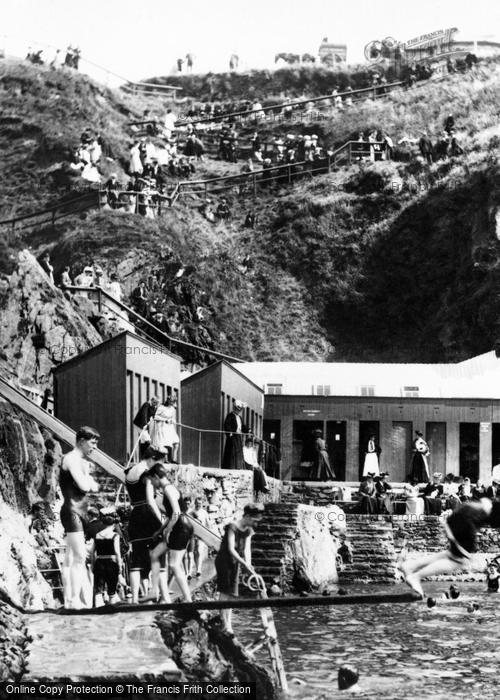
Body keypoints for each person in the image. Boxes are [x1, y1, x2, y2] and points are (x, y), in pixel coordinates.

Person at [400, 498, 500, 597]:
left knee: (452, 555)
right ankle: (416, 577)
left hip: (462, 514)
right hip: (466, 521)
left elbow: (486, 504)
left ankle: (410, 566)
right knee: (460, 560)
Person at [59, 426, 100, 609]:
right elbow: (85, 486)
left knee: (69, 558)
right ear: (82, 441)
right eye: (92, 442)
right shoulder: (71, 459)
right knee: (79, 556)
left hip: (79, 510)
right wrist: (87, 479)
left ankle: (69, 600)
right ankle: (74, 600)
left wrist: (88, 480)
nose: (95, 447)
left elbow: (95, 487)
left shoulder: (81, 462)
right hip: (72, 510)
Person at [215, 503, 264, 634]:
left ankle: (228, 623)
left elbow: (247, 549)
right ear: (247, 516)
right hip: (224, 561)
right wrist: (244, 563)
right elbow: (231, 549)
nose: (255, 523)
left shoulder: (248, 530)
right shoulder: (232, 527)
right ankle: (224, 622)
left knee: (232, 594)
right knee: (225, 592)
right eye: (254, 520)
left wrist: (249, 564)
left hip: (236, 562)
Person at [147, 463, 192, 602]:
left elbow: (177, 512)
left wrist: (167, 530)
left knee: (174, 564)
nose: (153, 484)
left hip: (181, 528)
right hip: (178, 526)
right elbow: (171, 515)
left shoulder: (168, 489)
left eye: (152, 481)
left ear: (156, 477)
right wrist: (160, 530)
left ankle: (188, 599)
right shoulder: (168, 489)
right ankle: (161, 594)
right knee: (155, 554)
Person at [124, 453, 164, 604]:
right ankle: (154, 594)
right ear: (152, 459)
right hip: (148, 515)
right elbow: (150, 501)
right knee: (155, 556)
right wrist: (161, 520)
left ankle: (135, 599)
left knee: (136, 560)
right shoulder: (146, 475)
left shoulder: (128, 474)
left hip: (135, 516)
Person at [89, 506, 122, 607]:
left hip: (99, 562)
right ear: (113, 524)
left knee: (99, 588)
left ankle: (98, 608)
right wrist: (119, 565)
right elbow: (117, 552)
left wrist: (93, 564)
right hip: (111, 563)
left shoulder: (97, 535)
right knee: (111, 589)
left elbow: (92, 552)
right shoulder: (115, 536)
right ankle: (112, 609)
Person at [148, 395, 179, 463]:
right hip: (162, 427)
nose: (172, 403)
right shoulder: (161, 407)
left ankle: (174, 459)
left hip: (170, 427)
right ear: (168, 401)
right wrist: (165, 419)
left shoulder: (172, 409)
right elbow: (155, 417)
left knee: (176, 442)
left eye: (173, 402)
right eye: (171, 402)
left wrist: (172, 421)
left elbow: (173, 418)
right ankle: (166, 459)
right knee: (166, 443)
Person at [222, 400, 247, 469]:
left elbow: (243, 427)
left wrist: (248, 430)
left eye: (240, 410)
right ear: (234, 408)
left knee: (238, 452)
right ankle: (230, 467)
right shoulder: (230, 416)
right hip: (232, 436)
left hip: (238, 437)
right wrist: (229, 432)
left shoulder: (240, 418)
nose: (239, 411)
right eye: (237, 409)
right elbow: (227, 425)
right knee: (231, 452)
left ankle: (238, 467)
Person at [189, 497, 210, 577]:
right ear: (195, 503)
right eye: (197, 503)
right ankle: (194, 569)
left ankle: (199, 570)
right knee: (194, 552)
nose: (198, 505)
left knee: (199, 551)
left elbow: (208, 524)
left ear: (202, 504)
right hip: (193, 534)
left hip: (201, 534)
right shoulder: (192, 512)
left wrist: (208, 533)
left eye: (200, 504)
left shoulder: (204, 513)